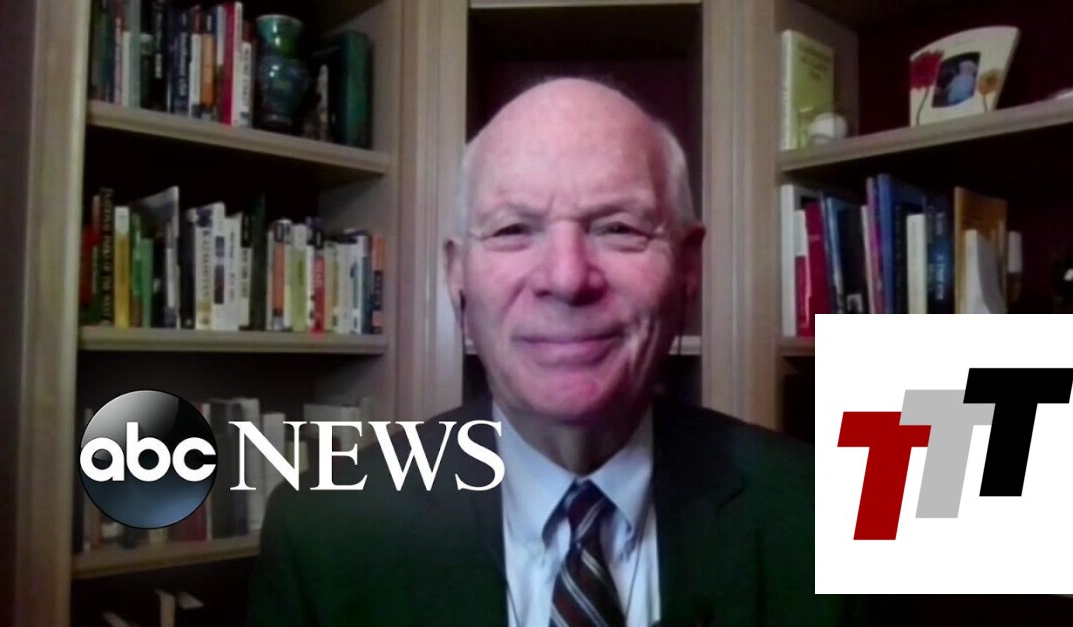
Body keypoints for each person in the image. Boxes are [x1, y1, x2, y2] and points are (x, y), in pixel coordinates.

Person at [249, 78, 855, 626]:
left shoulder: (835, 514)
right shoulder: (321, 531)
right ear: (457, 275)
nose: (566, 278)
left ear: (688, 266)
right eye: (513, 229)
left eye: (618, 228)